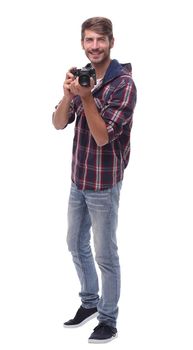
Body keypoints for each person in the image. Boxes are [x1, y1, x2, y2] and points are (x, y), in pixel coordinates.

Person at [52, 16, 137, 344]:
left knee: (105, 253)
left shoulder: (123, 83)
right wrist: (67, 94)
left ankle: (108, 318)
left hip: (103, 183)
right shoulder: (80, 76)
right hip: (79, 178)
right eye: (89, 40)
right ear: (83, 43)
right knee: (75, 243)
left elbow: (103, 138)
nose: (95, 47)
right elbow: (59, 123)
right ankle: (89, 302)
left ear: (111, 42)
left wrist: (87, 98)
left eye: (100, 40)